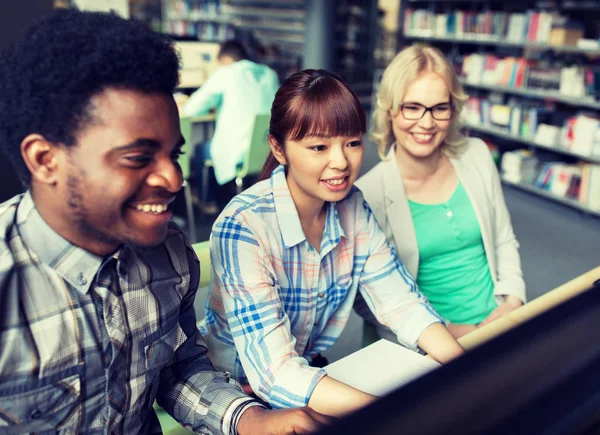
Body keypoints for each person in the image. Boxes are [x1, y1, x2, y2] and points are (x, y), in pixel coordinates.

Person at [0, 9, 329, 434]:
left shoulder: (171, 253)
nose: (174, 178)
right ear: (46, 160)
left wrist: (249, 419)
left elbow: (177, 367)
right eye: (138, 158)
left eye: (174, 154)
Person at [198, 69, 465, 418]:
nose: (341, 162)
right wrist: (394, 412)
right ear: (278, 148)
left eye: (352, 142)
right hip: (239, 393)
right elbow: (274, 373)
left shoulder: (352, 204)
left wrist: (469, 371)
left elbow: (401, 302)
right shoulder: (245, 225)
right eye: (319, 146)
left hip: (308, 372)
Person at [356, 46, 526, 340]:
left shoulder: (477, 155)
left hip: (500, 320)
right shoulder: (367, 195)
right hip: (431, 340)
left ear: (453, 109)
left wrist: (513, 300)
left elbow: (503, 238)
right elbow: (366, 299)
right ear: (390, 111)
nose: (426, 122)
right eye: (412, 107)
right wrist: (445, 332)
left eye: (439, 108)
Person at [182, 40, 279, 213]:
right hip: (267, 151)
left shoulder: (227, 73)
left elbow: (193, 108)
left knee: (201, 149)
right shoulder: (269, 74)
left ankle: (207, 201)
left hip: (238, 153)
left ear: (224, 60)